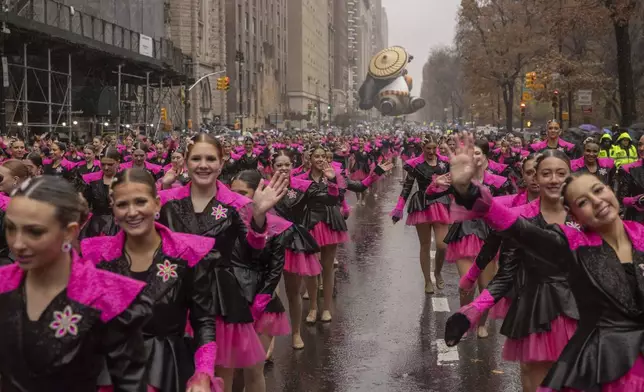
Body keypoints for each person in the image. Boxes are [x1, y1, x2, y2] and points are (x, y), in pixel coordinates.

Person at [443, 132, 644, 391]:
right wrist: (473, 309)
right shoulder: (522, 217)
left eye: (561, 173)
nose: (553, 180)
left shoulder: (588, 216)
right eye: (546, 173)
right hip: (537, 311)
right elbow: (507, 270)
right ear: (534, 178)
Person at [0, 175, 151, 391]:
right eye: (11, 228)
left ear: (70, 232)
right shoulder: (3, 284)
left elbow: (130, 384)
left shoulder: (105, 297)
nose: (18, 243)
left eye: (35, 231)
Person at [82, 168, 223, 392]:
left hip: (168, 368)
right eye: (122, 204)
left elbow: (203, 320)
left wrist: (203, 374)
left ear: (157, 204)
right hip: (109, 372)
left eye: (140, 202)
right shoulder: (95, 255)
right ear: (113, 207)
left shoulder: (186, 254)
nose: (132, 212)